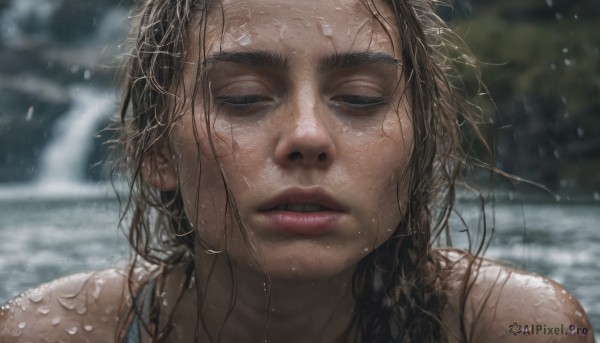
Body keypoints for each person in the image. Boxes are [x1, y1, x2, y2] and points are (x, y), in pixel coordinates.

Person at [0, 0, 595, 342]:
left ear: (420, 148)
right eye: (242, 95)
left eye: (360, 98)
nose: (307, 136)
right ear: (155, 151)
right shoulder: (49, 332)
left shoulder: (513, 328)